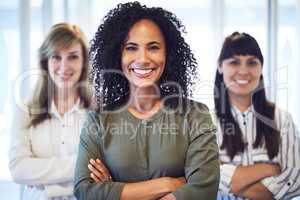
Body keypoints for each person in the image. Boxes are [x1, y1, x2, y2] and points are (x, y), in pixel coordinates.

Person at [74, 2, 219, 200]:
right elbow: (85, 191)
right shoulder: (98, 120)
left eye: (153, 47)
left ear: (168, 54)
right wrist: (169, 184)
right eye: (131, 48)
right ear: (118, 55)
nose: (142, 59)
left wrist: (114, 190)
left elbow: (203, 190)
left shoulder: (195, 115)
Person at [9, 22, 91, 200]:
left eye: (73, 57)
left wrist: (45, 185)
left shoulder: (97, 111)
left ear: (84, 61)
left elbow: (101, 170)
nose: (64, 66)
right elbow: (18, 169)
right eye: (56, 57)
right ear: (45, 61)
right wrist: (79, 166)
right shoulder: (25, 110)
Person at [214, 32, 300, 200]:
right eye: (234, 62)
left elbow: (296, 177)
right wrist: (269, 168)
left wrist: (227, 174)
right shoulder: (205, 122)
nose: (244, 71)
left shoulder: (282, 120)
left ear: (261, 67)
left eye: (252, 62)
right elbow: (203, 176)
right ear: (220, 66)